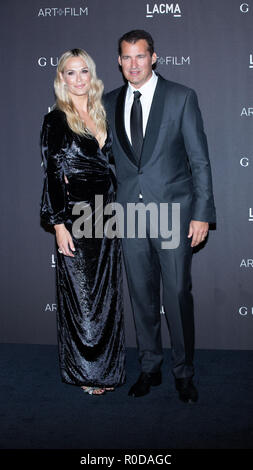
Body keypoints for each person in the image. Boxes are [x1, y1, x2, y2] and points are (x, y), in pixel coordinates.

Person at [103, 30, 216, 402]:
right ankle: (150, 367)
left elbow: (199, 160)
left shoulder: (181, 97)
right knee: (141, 296)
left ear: (154, 57)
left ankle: (183, 372)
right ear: (119, 62)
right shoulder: (109, 101)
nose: (133, 64)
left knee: (178, 293)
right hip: (130, 215)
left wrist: (201, 214)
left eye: (140, 56)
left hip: (173, 213)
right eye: (126, 58)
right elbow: (108, 162)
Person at [40, 48, 125, 395]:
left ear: (92, 75)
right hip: (76, 216)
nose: (78, 79)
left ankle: (105, 366)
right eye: (70, 73)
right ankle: (88, 372)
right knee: (83, 297)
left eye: (83, 72)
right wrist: (59, 224)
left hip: (109, 214)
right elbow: (52, 173)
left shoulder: (103, 113)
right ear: (61, 78)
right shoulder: (56, 120)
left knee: (106, 295)